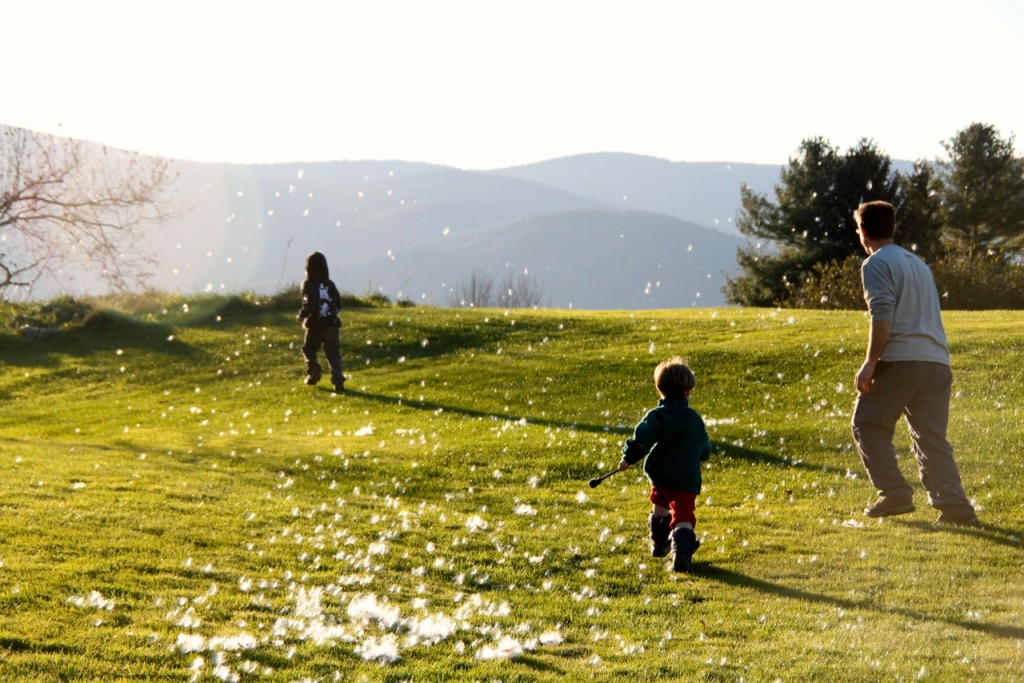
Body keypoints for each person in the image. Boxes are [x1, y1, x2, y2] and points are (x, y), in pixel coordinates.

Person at [851, 200, 978, 526]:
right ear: (893, 227)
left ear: (863, 231)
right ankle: (955, 507)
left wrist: (870, 362)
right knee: (930, 435)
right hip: (936, 360)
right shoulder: (918, 264)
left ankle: (894, 493)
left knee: (867, 423)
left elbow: (883, 315)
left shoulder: (876, 264)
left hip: (901, 360)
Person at [618, 357, 712, 572]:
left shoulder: (657, 416)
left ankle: (659, 544)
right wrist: (704, 454)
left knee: (660, 508)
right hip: (687, 478)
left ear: (660, 390)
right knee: (683, 515)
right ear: (688, 391)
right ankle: (681, 553)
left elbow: (642, 440)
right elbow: (703, 445)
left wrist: (628, 459)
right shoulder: (693, 418)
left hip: (660, 475)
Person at [297, 251, 345, 392]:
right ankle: (338, 382)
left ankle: (313, 371)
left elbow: (309, 304)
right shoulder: (330, 284)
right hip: (331, 324)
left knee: (309, 348)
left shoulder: (307, 284)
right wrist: (332, 314)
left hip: (315, 324)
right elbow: (338, 303)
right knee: (333, 354)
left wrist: (302, 315)